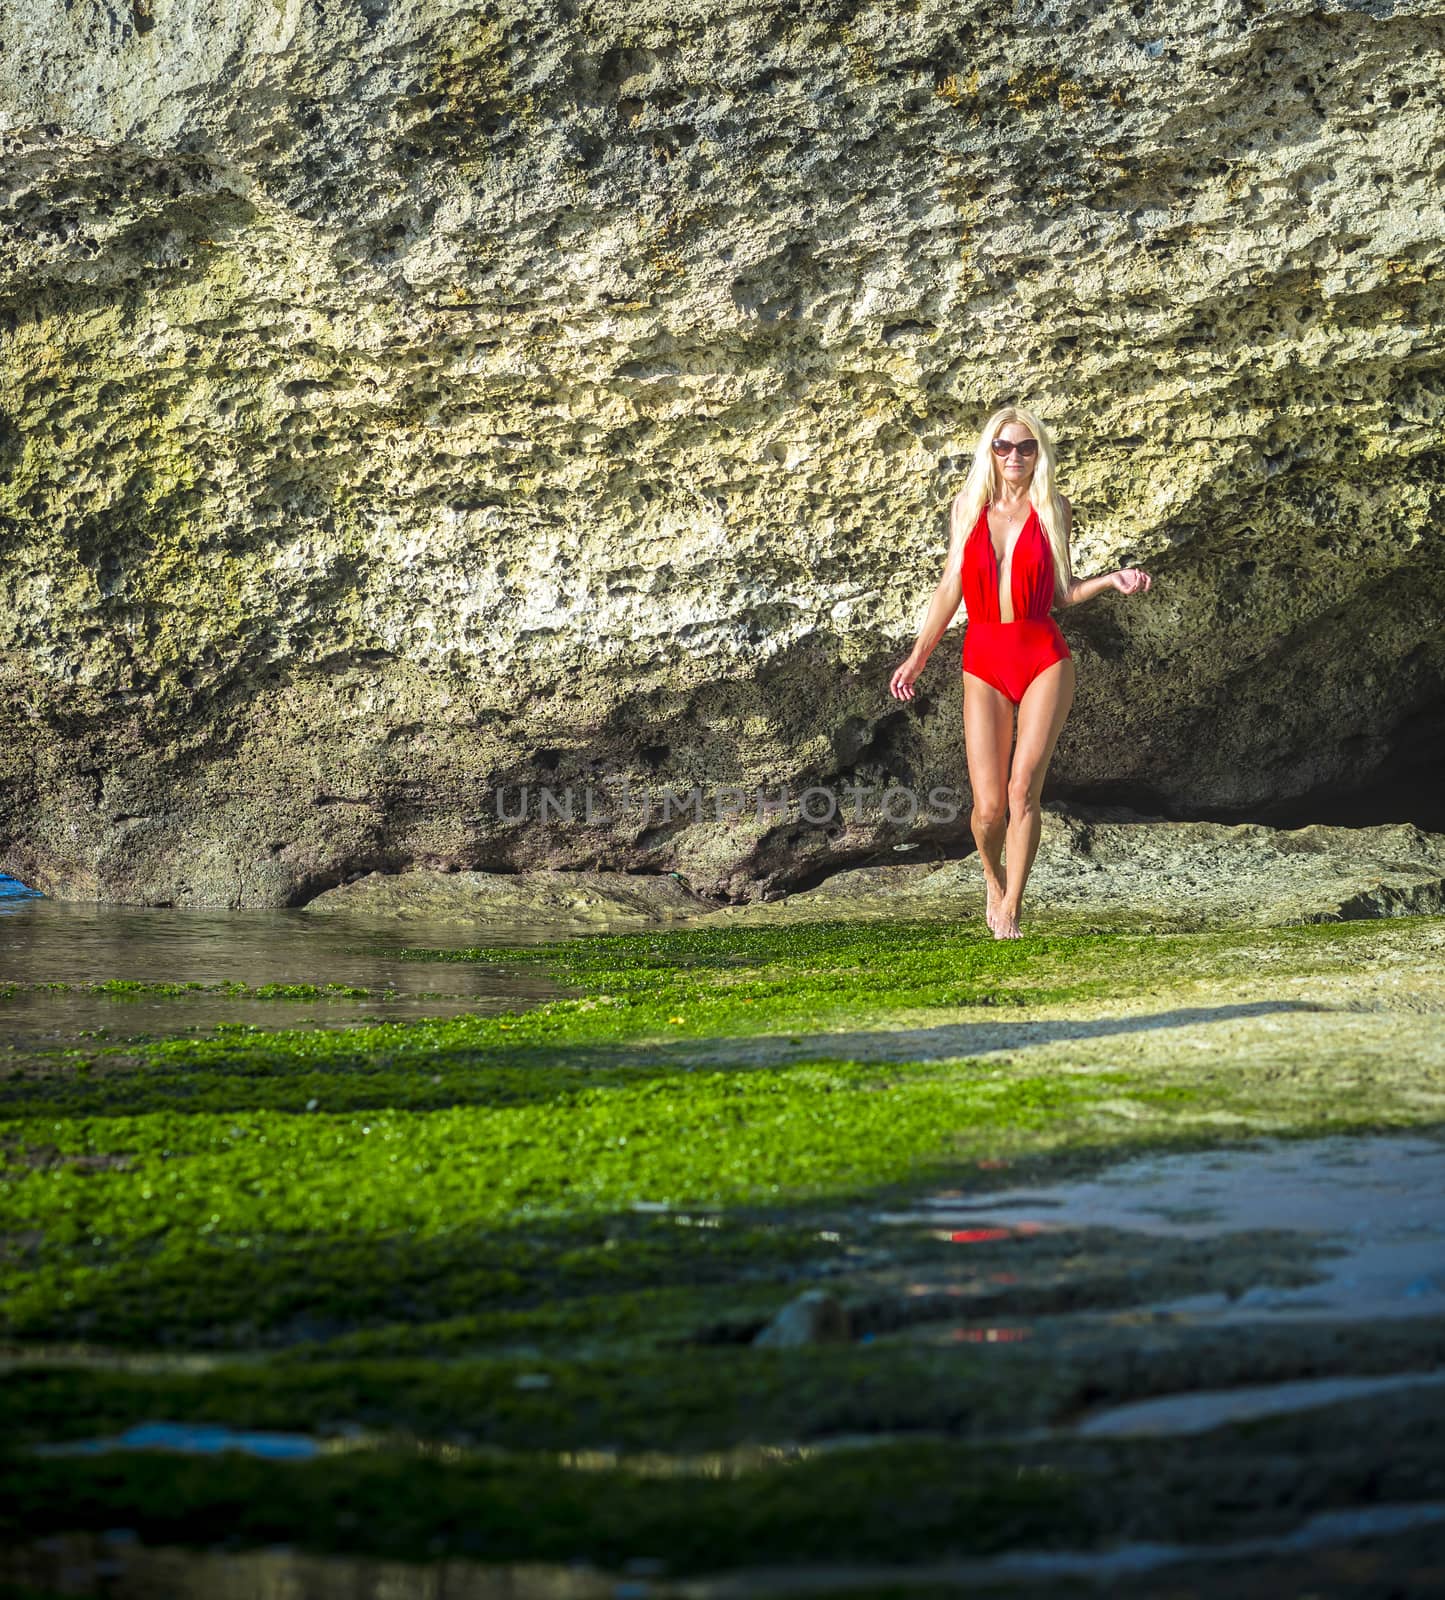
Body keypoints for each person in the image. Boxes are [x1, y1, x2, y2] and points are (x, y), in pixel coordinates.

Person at [889, 405, 1152, 939]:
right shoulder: (967, 506)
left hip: (1043, 657)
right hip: (982, 660)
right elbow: (949, 589)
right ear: (990, 451)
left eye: (1025, 447)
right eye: (1004, 446)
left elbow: (1063, 592)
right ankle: (992, 877)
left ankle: (1012, 904)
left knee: (1023, 789)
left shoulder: (1053, 507)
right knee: (987, 810)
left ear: (1039, 453)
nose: (1014, 456)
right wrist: (918, 657)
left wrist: (1109, 581)